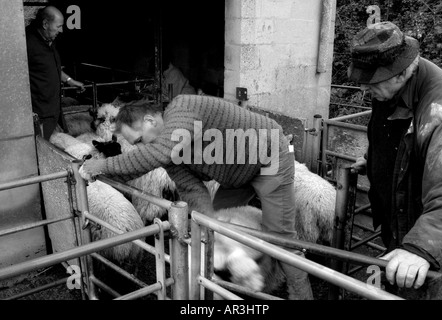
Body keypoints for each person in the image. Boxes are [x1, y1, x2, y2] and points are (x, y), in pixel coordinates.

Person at [79, 94, 314, 300]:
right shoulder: (171, 155)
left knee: (281, 237)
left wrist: (101, 165)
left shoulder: (183, 108)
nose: (141, 148)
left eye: (140, 140)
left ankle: (301, 295)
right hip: (236, 175)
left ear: (150, 121)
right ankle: (219, 286)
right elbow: (194, 192)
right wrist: (210, 226)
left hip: (269, 158)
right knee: (215, 228)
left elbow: (157, 153)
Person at [348, 21, 442, 299]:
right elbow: (391, 133)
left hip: (427, 227)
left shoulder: (441, 109)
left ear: (401, 73)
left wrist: (421, 247)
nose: (367, 90)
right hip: (398, 214)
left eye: (372, 84)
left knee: (424, 289)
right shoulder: (392, 85)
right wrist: (371, 159)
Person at [26, 6, 84, 140]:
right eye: (58, 26)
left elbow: (53, 68)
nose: (61, 30)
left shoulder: (50, 41)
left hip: (54, 110)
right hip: (40, 114)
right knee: (40, 149)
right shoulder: (27, 43)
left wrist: (69, 80)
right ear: (45, 24)